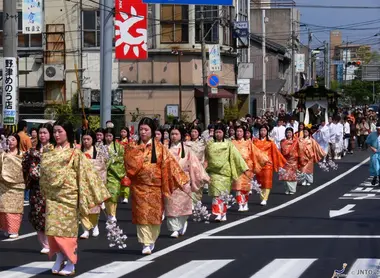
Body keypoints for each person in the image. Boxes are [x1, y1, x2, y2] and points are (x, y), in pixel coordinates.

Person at [40, 118, 110, 276]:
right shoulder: (48, 151)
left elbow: (87, 175)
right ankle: (59, 257)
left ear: (68, 133)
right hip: (52, 196)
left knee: (67, 231)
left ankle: (71, 260)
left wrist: (99, 194)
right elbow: (43, 174)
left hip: (69, 197)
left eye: (60, 131)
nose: (56, 135)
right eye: (55, 131)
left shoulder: (75, 153)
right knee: (52, 229)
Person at [124, 117, 189, 255]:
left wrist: (180, 179)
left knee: (154, 215)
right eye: (141, 129)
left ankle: (151, 239)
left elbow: (169, 165)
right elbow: (129, 164)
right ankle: (145, 243)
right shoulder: (132, 146)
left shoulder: (160, 148)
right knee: (142, 215)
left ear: (152, 131)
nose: (143, 132)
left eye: (146, 129)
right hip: (139, 187)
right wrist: (141, 151)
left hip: (155, 187)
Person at [166, 125, 209, 238]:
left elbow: (195, 165)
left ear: (181, 135)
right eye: (172, 134)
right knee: (171, 206)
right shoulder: (165, 149)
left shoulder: (187, 150)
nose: (174, 136)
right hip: (170, 181)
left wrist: (203, 176)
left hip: (184, 181)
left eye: (176, 134)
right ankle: (174, 228)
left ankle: (182, 222)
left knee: (183, 205)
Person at [205, 123, 249, 221]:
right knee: (216, 194)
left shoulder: (229, 144)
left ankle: (223, 213)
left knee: (223, 194)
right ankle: (217, 213)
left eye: (220, 132)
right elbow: (206, 157)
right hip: (214, 173)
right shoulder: (209, 144)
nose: (217, 134)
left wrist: (244, 167)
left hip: (225, 173)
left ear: (224, 133)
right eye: (216, 132)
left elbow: (236, 156)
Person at [22, 123, 54, 253]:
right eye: (40, 133)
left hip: (51, 188)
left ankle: (52, 243)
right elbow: (25, 166)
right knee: (37, 215)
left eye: (45, 133)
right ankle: (45, 244)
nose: (42, 135)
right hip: (36, 188)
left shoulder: (55, 150)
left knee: (51, 215)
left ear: (50, 134)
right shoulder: (32, 151)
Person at [232, 125, 269, 211]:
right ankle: (240, 204)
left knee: (245, 187)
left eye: (241, 131)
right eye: (237, 131)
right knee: (238, 187)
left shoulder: (248, 143)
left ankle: (245, 203)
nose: (239, 133)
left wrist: (265, 158)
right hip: (237, 167)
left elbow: (256, 152)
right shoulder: (232, 143)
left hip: (247, 167)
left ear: (244, 133)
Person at [80, 130, 109, 239]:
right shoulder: (78, 152)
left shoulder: (98, 152)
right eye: (84, 139)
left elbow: (102, 168)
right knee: (82, 208)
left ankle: (95, 225)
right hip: (82, 184)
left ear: (92, 140)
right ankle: (85, 230)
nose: (86, 141)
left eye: (88, 139)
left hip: (94, 184)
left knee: (94, 208)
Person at [253, 125, 287, 206]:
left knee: (267, 181)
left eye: (264, 130)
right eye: (261, 130)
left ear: (267, 132)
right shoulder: (255, 141)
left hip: (268, 164)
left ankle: (265, 198)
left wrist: (283, 161)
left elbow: (276, 152)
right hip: (259, 164)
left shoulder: (270, 142)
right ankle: (262, 197)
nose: (263, 132)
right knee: (260, 181)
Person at [0, 133, 25, 239]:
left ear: (17, 142)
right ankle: (6, 228)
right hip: (4, 184)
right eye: (9, 140)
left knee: (15, 209)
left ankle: (14, 230)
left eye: (13, 140)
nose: (10, 142)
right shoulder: (2, 155)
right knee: (4, 208)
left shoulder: (23, 155)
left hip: (17, 185)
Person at [104, 128, 126, 220]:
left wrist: (113, 160)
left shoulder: (119, 147)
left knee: (114, 193)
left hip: (114, 173)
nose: (108, 138)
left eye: (110, 136)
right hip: (104, 173)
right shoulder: (101, 147)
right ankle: (109, 213)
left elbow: (122, 159)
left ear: (113, 137)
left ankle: (113, 214)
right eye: (107, 136)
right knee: (106, 195)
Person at [279, 127, 299, 195]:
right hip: (285, 160)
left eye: (290, 132)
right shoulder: (283, 141)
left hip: (293, 160)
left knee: (292, 175)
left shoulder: (295, 141)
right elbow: (281, 150)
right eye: (287, 132)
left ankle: (292, 189)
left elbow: (299, 149)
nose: (289, 134)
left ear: (292, 133)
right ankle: (287, 189)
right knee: (285, 175)